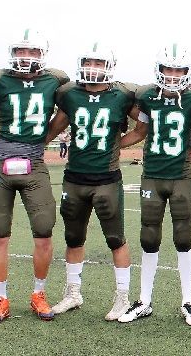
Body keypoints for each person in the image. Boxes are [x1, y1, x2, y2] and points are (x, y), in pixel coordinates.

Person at [0, 28, 69, 325]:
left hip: (34, 164)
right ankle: (1, 298)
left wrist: (46, 139)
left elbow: (67, 111)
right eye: (21, 50)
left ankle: (38, 294)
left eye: (32, 51)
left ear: (42, 54)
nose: (26, 56)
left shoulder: (54, 81)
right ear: (13, 53)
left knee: (44, 231)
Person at [43, 43, 136, 321]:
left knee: (116, 239)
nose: (92, 68)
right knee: (73, 238)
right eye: (89, 62)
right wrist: (35, 145)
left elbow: (144, 125)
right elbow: (57, 125)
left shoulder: (121, 95)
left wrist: (119, 144)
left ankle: (122, 297)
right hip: (74, 177)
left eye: (98, 63)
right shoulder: (70, 94)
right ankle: (73, 293)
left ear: (109, 67)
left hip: (106, 179)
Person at [117, 44, 191, 326]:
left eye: (178, 70)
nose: (173, 75)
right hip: (153, 175)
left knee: (183, 236)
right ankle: (144, 301)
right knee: (149, 236)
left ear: (187, 72)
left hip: (181, 175)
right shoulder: (148, 96)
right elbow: (140, 131)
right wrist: (111, 146)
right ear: (159, 70)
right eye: (168, 69)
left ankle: (188, 301)